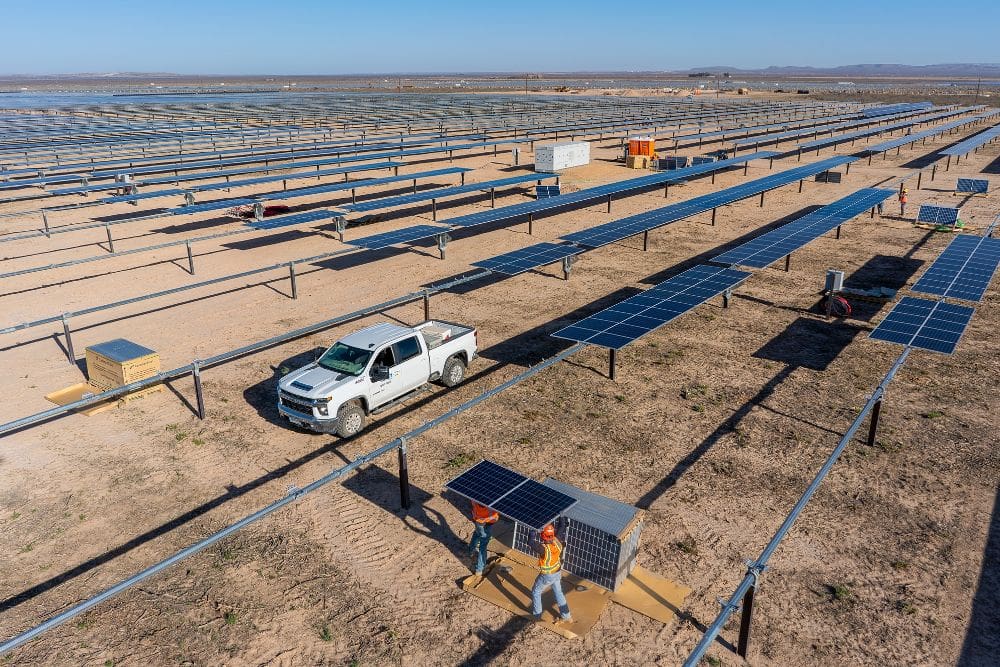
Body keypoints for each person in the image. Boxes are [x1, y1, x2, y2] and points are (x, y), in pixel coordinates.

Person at [530, 524, 572, 622]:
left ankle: (537, 616)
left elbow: (530, 542)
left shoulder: (543, 549)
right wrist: (562, 519)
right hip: (557, 572)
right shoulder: (557, 542)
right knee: (558, 592)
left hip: (547, 575)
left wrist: (532, 532)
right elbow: (561, 529)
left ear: (543, 536)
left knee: (536, 592)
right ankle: (567, 617)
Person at [468, 501, 498, 576]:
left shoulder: (475, 500)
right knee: (483, 546)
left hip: (478, 521)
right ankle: (480, 569)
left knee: (476, 534)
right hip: (487, 525)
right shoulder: (491, 504)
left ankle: (471, 551)